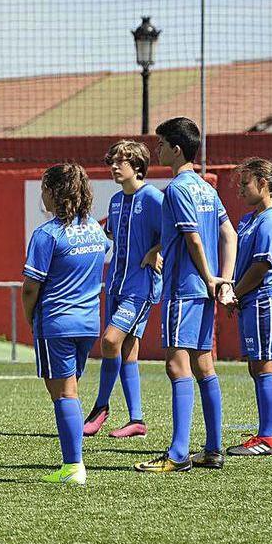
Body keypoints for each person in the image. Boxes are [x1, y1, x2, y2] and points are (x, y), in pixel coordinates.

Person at [135, 117, 237, 474]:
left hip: (183, 290)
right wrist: (224, 279)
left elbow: (193, 238)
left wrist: (209, 277)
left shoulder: (177, 189)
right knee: (204, 366)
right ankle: (213, 449)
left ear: (177, 149)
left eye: (161, 143)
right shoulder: (207, 189)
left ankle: (178, 454)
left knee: (176, 366)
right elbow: (229, 233)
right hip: (204, 292)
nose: (157, 149)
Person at [22, 163, 108, 486]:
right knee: (67, 390)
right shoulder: (96, 232)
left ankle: (74, 465)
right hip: (87, 323)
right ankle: (72, 461)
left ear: (55, 192)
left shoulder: (47, 234)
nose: (42, 194)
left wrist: (31, 317)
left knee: (63, 392)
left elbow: (31, 287)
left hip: (56, 322)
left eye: (45, 187)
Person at [83, 140, 162, 439]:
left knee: (110, 341)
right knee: (127, 350)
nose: (114, 166)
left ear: (138, 166)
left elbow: (179, 231)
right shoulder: (116, 201)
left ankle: (100, 408)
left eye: (121, 161)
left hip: (140, 288)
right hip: (115, 285)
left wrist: (156, 249)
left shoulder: (153, 197)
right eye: (112, 161)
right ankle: (137, 420)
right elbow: (110, 237)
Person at [222, 157, 272, 457]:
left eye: (245, 184)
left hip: (265, 300)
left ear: (263, 184)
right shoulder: (252, 219)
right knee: (257, 367)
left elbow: (262, 266)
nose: (240, 190)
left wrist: (235, 292)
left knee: (265, 366)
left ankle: (268, 439)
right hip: (251, 301)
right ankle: (264, 433)